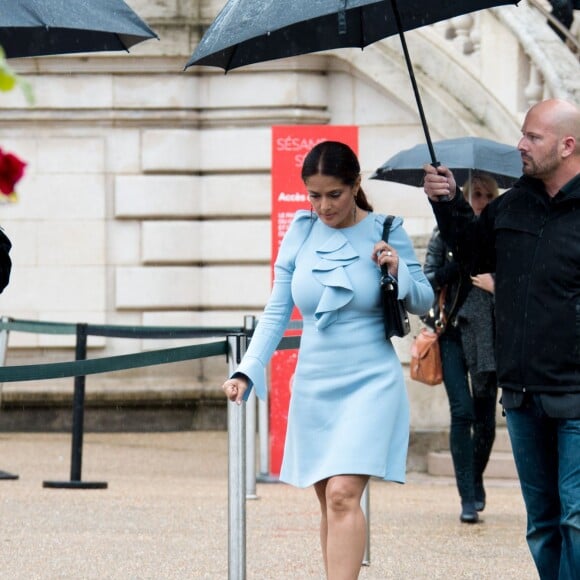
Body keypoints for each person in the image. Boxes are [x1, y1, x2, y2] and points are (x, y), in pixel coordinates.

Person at [223, 141, 433, 580]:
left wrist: (397, 271)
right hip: (315, 385)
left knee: (341, 495)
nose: (323, 206)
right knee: (329, 502)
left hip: (371, 382)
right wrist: (247, 368)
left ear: (355, 185)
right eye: (313, 195)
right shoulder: (300, 231)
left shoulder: (386, 228)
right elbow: (277, 311)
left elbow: (424, 299)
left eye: (333, 194)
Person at [423, 99, 580, 580]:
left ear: (567, 145)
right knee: (543, 526)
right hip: (522, 392)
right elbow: (470, 256)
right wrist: (447, 202)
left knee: (577, 520)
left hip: (577, 394)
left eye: (533, 136)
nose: (520, 145)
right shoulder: (511, 205)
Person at [423, 173, 499, 524]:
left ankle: (476, 477)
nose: (480, 200)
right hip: (452, 331)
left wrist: (494, 284)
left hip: (489, 337)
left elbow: (520, 285)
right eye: (475, 194)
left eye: (486, 195)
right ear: (465, 197)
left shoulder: (502, 237)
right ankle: (467, 497)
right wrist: (455, 267)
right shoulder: (444, 235)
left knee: (485, 421)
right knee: (462, 412)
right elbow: (426, 279)